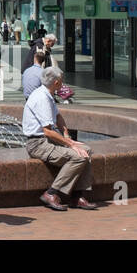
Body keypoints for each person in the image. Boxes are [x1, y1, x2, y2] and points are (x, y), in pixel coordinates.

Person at [24, 66, 99, 211]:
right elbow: (48, 132)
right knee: (78, 157)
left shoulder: (48, 94)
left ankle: (77, 196)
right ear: (56, 82)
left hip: (46, 141)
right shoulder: (41, 98)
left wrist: (66, 136)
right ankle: (51, 193)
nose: (63, 83)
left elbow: (58, 117)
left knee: (86, 150)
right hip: (38, 143)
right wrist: (70, 145)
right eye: (62, 80)